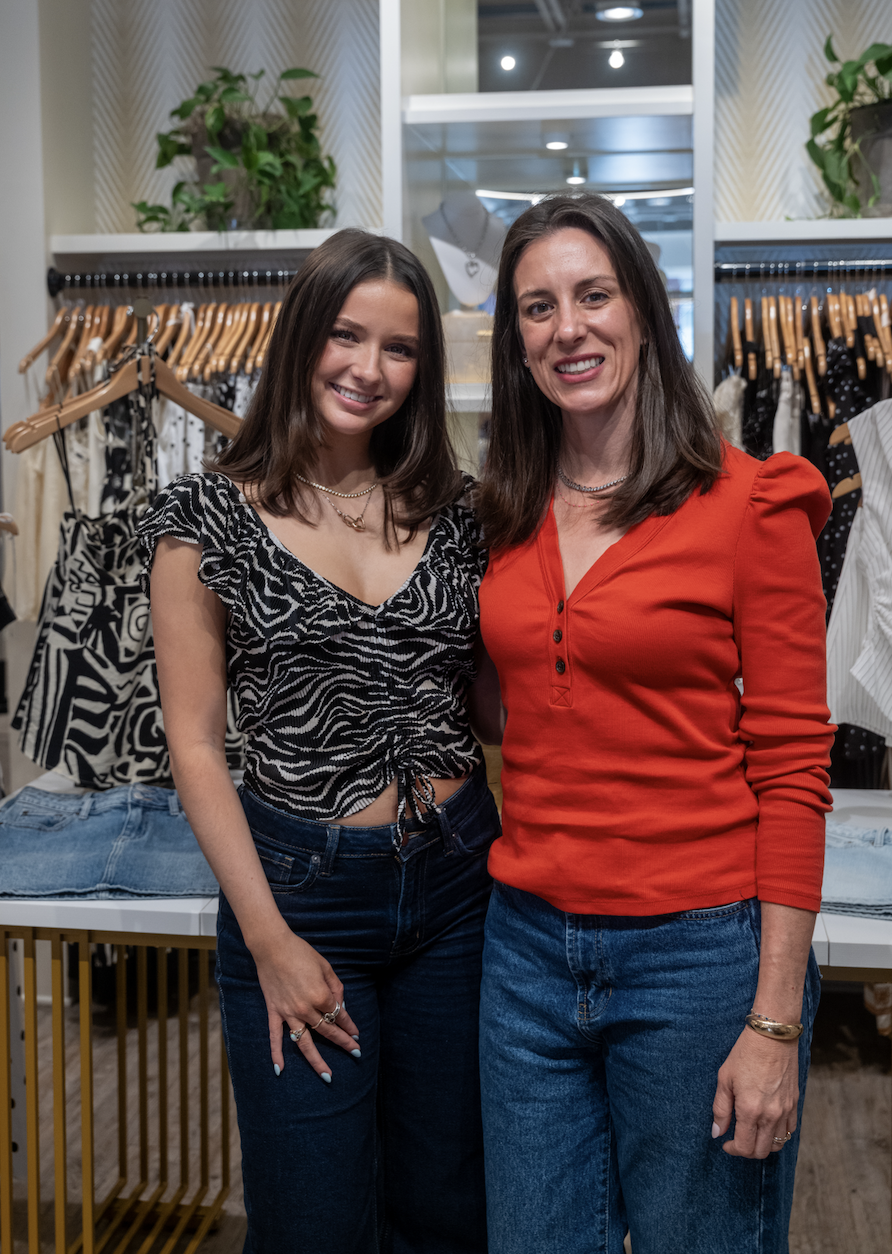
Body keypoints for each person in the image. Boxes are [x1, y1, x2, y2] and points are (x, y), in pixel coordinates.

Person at [475, 195, 834, 1254]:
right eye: (538, 307)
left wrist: (774, 1019)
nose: (568, 328)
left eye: (593, 295)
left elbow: (795, 770)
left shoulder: (750, 506)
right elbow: (503, 702)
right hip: (526, 953)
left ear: (642, 308)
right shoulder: (502, 511)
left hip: (699, 956)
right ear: (516, 338)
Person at [140, 229, 501, 1254]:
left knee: (448, 1205)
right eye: (346, 335)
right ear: (302, 336)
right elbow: (195, 744)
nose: (368, 368)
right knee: (312, 1218)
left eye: (400, 348)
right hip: (302, 894)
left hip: (459, 881)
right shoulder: (204, 517)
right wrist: (268, 941)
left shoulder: (460, 510)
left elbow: (494, 709)